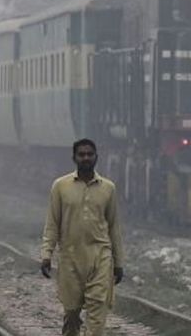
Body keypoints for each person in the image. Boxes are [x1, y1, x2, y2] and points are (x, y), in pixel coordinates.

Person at [40, 139, 124, 336]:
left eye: (90, 154)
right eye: (81, 154)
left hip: (100, 257)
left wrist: (118, 262)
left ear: (96, 157)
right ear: (74, 158)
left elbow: (114, 226)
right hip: (70, 257)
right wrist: (46, 254)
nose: (86, 158)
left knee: (97, 309)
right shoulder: (60, 186)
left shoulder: (108, 188)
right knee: (71, 311)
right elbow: (52, 223)